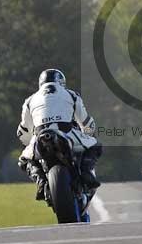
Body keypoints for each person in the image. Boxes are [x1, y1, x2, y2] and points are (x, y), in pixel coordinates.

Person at [16, 68, 102, 201]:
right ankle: (86, 174)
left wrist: (29, 144)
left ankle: (41, 181)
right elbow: (85, 122)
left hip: (39, 136)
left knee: (24, 160)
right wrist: (89, 134)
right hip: (66, 132)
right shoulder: (71, 94)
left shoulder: (29, 100)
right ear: (62, 83)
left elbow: (24, 131)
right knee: (95, 146)